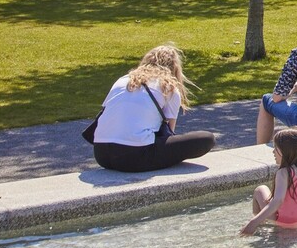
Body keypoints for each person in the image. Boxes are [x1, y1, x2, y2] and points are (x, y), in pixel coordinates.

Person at [91, 44, 215, 173]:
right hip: (134, 156)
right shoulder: (168, 86)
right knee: (206, 138)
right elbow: (169, 132)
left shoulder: (122, 80)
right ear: (175, 68)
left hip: (101, 154)